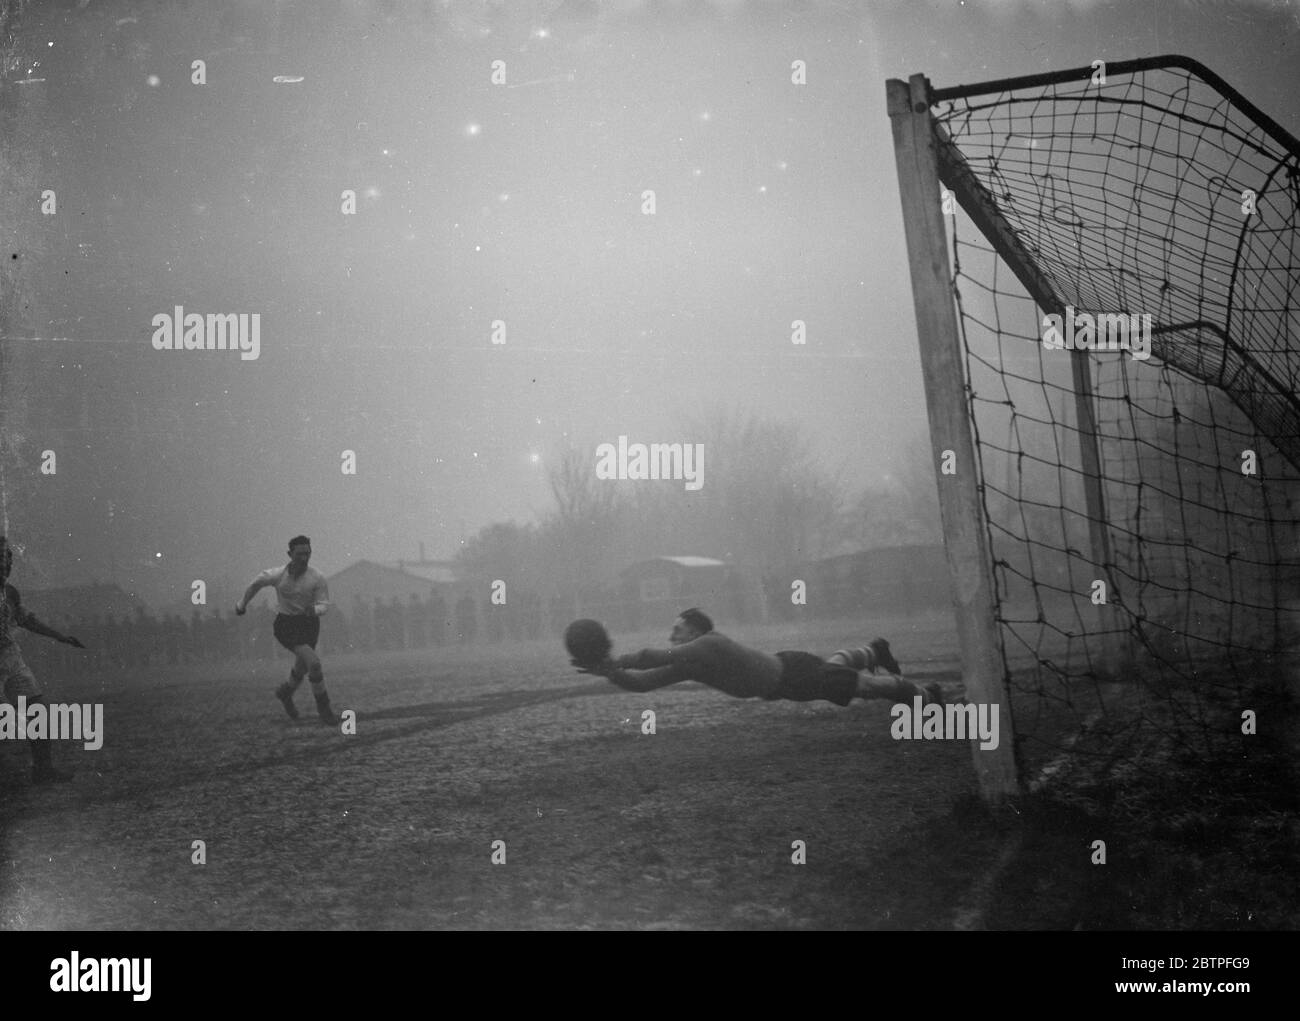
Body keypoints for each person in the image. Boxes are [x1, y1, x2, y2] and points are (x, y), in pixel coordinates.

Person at [576, 607, 942, 708]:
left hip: (793, 676)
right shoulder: (690, 662)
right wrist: (609, 673)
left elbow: (650, 656)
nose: (673, 636)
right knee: (841, 670)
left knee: (867, 687)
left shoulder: (711, 643)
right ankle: (875, 650)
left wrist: (613, 662)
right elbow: (642, 684)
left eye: (679, 629)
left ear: (696, 630)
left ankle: (930, 701)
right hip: (787, 673)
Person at [0, 536, 87, 783]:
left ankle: (42, 769)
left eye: (7, 558)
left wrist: (60, 636)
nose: (5, 563)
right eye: (0, 558)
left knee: (38, 710)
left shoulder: (9, 593)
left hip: (10, 658)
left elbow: (28, 620)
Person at [236, 535, 337, 724]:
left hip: (309, 624)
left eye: (307, 553)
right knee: (313, 663)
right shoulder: (277, 575)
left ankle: (286, 692)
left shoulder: (317, 577)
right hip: (286, 625)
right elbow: (256, 583)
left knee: (303, 665)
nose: (304, 558)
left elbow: (324, 605)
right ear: (290, 554)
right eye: (299, 554)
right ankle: (324, 708)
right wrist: (241, 604)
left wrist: (314, 609)